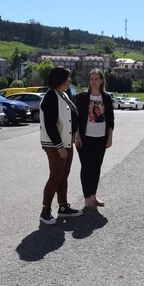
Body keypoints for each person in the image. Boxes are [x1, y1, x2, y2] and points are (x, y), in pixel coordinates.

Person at [39, 66, 83, 225]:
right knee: (55, 177)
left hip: (67, 142)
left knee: (63, 176)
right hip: (55, 144)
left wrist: (76, 137)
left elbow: (71, 119)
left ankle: (63, 206)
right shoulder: (51, 96)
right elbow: (50, 125)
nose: (70, 80)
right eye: (68, 78)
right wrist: (59, 146)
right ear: (60, 79)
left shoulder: (63, 94)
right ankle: (45, 211)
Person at [75, 69, 115, 209]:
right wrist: (77, 135)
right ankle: (86, 198)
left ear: (101, 80)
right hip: (85, 138)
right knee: (86, 167)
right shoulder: (82, 97)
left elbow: (110, 119)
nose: (93, 81)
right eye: (91, 78)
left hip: (101, 138)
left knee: (96, 167)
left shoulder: (106, 98)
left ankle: (93, 195)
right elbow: (77, 119)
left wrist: (109, 137)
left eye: (96, 78)